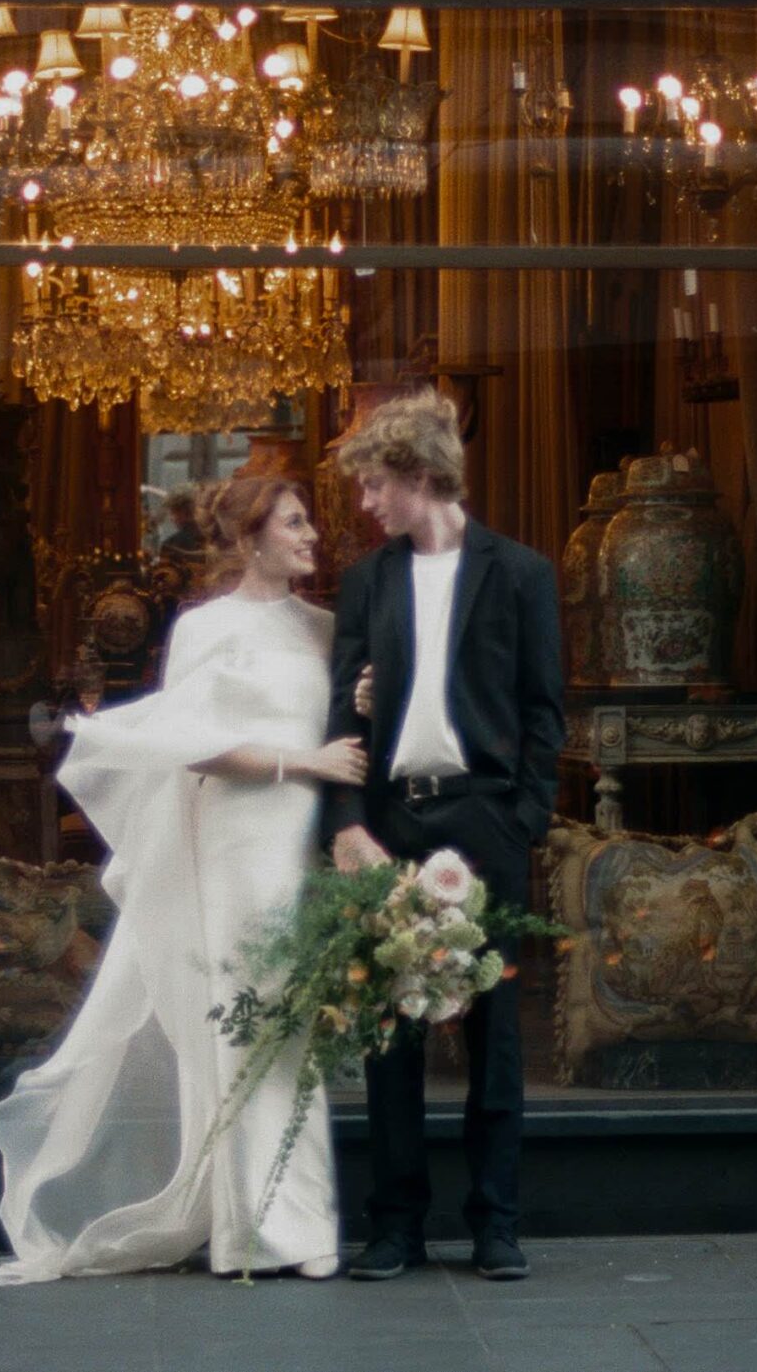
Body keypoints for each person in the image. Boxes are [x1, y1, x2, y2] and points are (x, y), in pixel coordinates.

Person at [0, 476, 367, 1283]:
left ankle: (282, 1220)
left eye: (309, 523)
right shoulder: (205, 628)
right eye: (295, 522)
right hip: (238, 837)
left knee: (293, 1025)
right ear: (251, 536)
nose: (313, 535)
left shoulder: (326, 627)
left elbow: (345, 724)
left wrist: (361, 702)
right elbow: (188, 742)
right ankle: (263, 1230)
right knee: (248, 1018)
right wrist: (300, 759)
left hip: (303, 840)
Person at [321, 389, 563, 1283]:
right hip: (392, 825)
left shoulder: (521, 574)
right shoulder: (365, 581)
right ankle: (397, 1226)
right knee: (392, 1033)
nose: (365, 502)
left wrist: (523, 821)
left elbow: (547, 716)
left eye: (376, 483)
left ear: (424, 476)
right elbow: (340, 715)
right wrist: (347, 825)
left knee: (494, 1031)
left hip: (484, 817)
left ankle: (496, 1222)